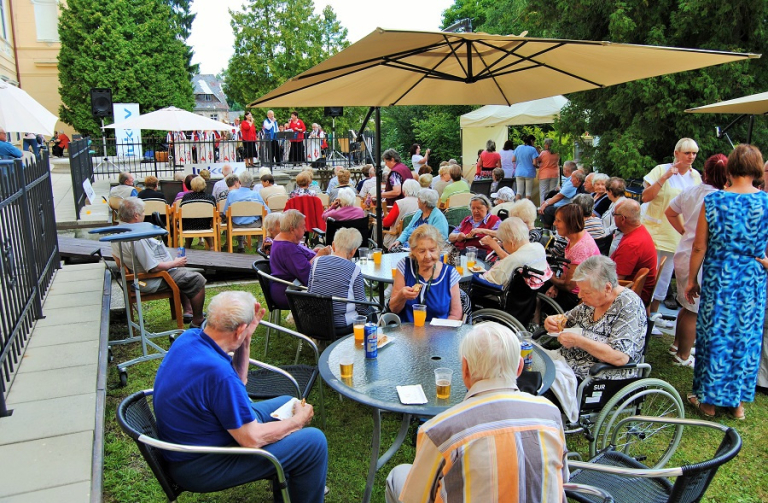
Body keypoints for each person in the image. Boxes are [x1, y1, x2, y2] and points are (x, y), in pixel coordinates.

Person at [153, 291, 327, 502]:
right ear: (239, 330)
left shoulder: (190, 338)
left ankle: (293, 482)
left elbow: (239, 383)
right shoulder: (217, 373)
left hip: (201, 438)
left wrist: (246, 339)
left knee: (286, 403)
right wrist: (298, 421)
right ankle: (301, 470)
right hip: (201, 464)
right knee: (313, 442)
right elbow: (251, 439)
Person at [386, 322, 567, 503]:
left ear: (465, 369)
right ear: (519, 368)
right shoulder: (550, 415)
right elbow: (562, 478)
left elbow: (415, 499)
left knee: (398, 475)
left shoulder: (439, 431)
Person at [684, 144, 768, 420]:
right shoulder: (765, 202)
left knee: (715, 336)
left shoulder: (715, 201)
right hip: (751, 279)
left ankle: (708, 403)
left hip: (720, 275)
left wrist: (691, 279)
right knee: (745, 338)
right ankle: (737, 405)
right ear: (757, 169)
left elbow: (699, 247)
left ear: (731, 168)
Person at [664, 154, 728, 367]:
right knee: (694, 308)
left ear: (706, 172)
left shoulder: (691, 191)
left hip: (684, 250)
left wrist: (685, 231)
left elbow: (670, 212)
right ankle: (683, 355)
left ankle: (676, 344)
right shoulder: (721, 198)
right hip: (700, 256)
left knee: (685, 303)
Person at [545, 255, 647, 380]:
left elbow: (620, 357)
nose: (580, 296)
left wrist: (579, 341)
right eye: (580, 290)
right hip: (567, 362)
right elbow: (566, 320)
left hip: (595, 375)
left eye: (586, 292)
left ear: (607, 288)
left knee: (538, 382)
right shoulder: (593, 301)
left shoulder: (628, 305)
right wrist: (551, 321)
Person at [113, 197, 206, 327]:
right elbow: (153, 267)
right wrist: (174, 263)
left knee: (183, 274)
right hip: (148, 280)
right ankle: (198, 320)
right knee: (197, 279)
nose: (144, 215)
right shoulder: (137, 238)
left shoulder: (117, 231)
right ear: (135, 216)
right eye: (143, 212)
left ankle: (188, 311)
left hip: (136, 277)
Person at [643, 137, 702, 317]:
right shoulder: (661, 169)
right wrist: (665, 177)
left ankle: (653, 315)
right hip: (654, 232)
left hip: (676, 234)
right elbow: (645, 197)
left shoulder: (695, 176)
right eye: (687, 153)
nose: (691, 157)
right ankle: (642, 315)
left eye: (694, 153)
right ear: (676, 153)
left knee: (664, 278)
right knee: (648, 277)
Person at [389, 225, 462, 322]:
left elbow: (455, 315)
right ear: (413, 251)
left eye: (432, 250)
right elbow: (394, 309)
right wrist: (401, 296)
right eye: (422, 251)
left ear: (439, 249)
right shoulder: (405, 266)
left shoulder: (450, 274)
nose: (428, 256)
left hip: (439, 333)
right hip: (406, 334)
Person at [308, 228, 369, 332]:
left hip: (314, 322)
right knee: (371, 313)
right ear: (353, 251)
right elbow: (362, 307)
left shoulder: (316, 262)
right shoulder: (354, 269)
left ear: (333, 245)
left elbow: (310, 291)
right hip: (339, 326)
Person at [269, 209, 331, 308]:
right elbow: (308, 275)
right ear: (292, 229)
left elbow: (299, 260)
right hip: (290, 291)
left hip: (289, 288)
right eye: (303, 227)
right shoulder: (287, 248)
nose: (305, 229)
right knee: (338, 288)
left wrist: (313, 253)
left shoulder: (284, 241)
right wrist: (319, 255)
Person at [545, 204, 601, 311]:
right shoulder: (577, 237)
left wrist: (548, 274)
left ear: (570, 223)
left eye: (558, 221)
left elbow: (569, 286)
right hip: (576, 288)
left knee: (535, 288)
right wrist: (556, 286)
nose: (554, 223)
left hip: (578, 297)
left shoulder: (580, 248)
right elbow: (567, 270)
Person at [477, 217, 551, 287]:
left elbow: (490, 279)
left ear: (512, 243)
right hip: (529, 292)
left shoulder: (514, 259)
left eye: (502, 241)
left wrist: (478, 275)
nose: (502, 244)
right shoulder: (539, 247)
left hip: (500, 295)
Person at [610, 199, 658, 306]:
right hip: (635, 293)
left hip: (629, 297)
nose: (613, 217)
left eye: (614, 214)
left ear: (622, 219)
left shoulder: (631, 244)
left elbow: (616, 279)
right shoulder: (639, 230)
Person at [223, 171, 270, 253]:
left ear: (239, 182)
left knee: (236, 218)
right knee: (263, 219)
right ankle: (259, 245)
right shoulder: (256, 195)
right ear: (251, 182)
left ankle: (241, 245)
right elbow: (267, 211)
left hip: (236, 224)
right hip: (254, 224)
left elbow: (225, 212)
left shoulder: (232, 194)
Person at [381, 179, 421, 249]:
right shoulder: (422, 203)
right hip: (417, 238)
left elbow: (386, 223)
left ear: (404, 190)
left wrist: (386, 216)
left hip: (397, 238)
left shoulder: (400, 203)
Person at [180, 176, 217, 250]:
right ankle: (212, 247)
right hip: (205, 225)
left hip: (189, 226)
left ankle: (187, 246)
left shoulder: (186, 197)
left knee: (190, 222)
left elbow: (181, 211)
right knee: (204, 223)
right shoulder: (210, 198)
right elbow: (215, 213)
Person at [512, 134, 539, 200]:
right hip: (529, 173)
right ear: (531, 141)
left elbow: (513, 160)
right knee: (528, 193)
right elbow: (534, 163)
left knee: (519, 192)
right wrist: (538, 166)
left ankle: (516, 206)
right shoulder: (532, 149)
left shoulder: (518, 147)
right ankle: (527, 207)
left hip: (519, 172)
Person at [538, 138, 560, 205]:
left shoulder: (543, 153)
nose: (544, 145)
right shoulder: (557, 153)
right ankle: (551, 205)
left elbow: (538, 160)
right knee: (552, 192)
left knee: (543, 192)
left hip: (544, 174)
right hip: (554, 174)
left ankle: (542, 207)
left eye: (545, 144)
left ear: (547, 145)